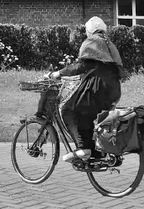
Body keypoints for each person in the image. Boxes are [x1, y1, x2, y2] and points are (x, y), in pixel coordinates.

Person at [46, 16, 126, 163]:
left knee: (68, 109)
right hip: (113, 89)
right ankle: (96, 152)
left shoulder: (93, 41)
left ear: (89, 31)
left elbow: (81, 66)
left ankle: (82, 148)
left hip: (97, 87)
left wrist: (58, 73)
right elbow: (99, 68)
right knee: (88, 115)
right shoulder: (109, 43)